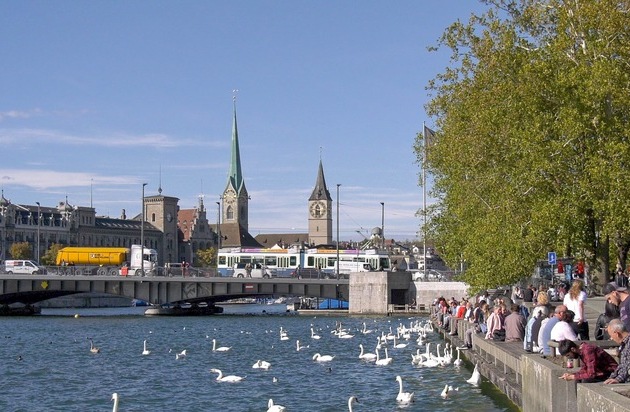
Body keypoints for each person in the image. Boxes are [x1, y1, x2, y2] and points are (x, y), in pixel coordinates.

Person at [604, 319, 630, 384]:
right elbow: (622, 365)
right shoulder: (624, 344)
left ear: (617, 333)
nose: (611, 338)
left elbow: (628, 366)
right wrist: (612, 377)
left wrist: (618, 379)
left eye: (611, 335)